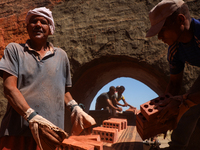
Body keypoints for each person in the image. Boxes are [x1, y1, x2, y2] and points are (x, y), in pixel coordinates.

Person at [0, 7, 96, 150]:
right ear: (27, 27)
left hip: (50, 135)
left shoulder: (61, 56)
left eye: (43, 22)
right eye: (33, 21)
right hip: (17, 132)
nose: (38, 24)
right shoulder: (15, 50)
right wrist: (32, 117)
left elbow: (61, 91)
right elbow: (9, 88)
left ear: (50, 28)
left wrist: (75, 108)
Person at [146, 0, 200, 149]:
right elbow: (175, 84)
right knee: (189, 108)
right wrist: (164, 113)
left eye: (162, 30)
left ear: (180, 20)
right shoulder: (175, 50)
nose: (159, 37)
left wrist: (183, 100)